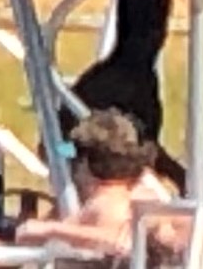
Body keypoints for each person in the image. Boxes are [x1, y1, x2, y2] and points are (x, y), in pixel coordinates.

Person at [69, 0, 172, 147]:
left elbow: (148, 149)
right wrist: (84, 156)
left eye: (160, 27)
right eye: (149, 28)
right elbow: (55, 148)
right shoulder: (106, 84)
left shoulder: (143, 80)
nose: (159, 37)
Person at [50, 109, 158, 256]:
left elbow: (117, 241)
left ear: (85, 163)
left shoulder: (101, 204)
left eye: (74, 162)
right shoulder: (150, 199)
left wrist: (45, 230)